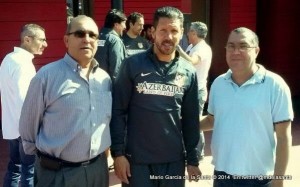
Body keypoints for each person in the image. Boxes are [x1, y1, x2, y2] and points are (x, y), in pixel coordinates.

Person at [110, 6, 202, 187]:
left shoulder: (188, 71)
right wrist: (118, 154)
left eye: (174, 30)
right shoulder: (132, 65)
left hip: (173, 162)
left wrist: (193, 159)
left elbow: (191, 119)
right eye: (163, 30)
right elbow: (118, 110)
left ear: (182, 32)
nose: (168, 36)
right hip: (137, 162)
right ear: (153, 32)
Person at [19, 15, 112, 187]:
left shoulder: (104, 79)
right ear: (66, 40)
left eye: (93, 35)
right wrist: (46, 162)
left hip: (97, 171)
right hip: (58, 175)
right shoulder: (46, 77)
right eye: (80, 34)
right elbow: (28, 127)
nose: (87, 39)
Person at [200, 27, 293, 187]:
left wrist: (279, 181)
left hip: (259, 179)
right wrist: (180, 125)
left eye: (243, 46)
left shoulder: (274, 85)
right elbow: (212, 120)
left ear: (256, 51)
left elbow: (284, 137)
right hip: (222, 176)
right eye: (231, 46)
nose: (236, 51)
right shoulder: (219, 84)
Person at [0, 23, 47, 187]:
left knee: (15, 168)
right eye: (42, 39)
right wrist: (33, 130)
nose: (45, 44)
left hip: (11, 125)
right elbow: (25, 101)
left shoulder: (8, 59)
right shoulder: (23, 64)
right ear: (27, 39)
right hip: (24, 130)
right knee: (29, 171)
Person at [176, 22, 212, 161]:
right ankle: (191, 151)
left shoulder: (203, 48)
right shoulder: (192, 46)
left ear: (195, 33)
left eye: (189, 31)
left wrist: (178, 49)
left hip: (197, 91)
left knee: (195, 122)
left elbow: (192, 61)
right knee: (188, 121)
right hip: (189, 89)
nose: (187, 34)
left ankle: (198, 153)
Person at [94, 9, 127, 82]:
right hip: (109, 85)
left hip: (93, 83)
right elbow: (117, 68)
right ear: (116, 25)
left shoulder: (96, 38)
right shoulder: (115, 40)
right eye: (124, 23)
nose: (125, 27)